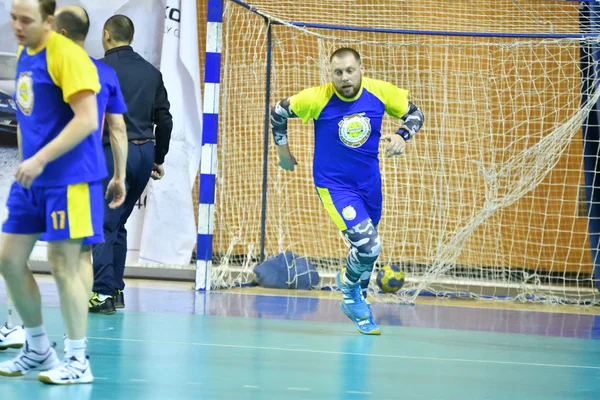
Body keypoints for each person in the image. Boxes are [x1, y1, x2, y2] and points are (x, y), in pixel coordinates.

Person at [0, 4, 130, 352]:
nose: (16, 25)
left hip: (70, 176)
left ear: (52, 23)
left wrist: (118, 174)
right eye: (13, 17)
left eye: (25, 19)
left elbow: (96, 122)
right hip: (33, 179)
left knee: (67, 262)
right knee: (11, 259)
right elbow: (26, 117)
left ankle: (75, 355)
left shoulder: (73, 61)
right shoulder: (27, 53)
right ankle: (36, 346)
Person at [270, 48, 424, 335]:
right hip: (334, 185)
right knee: (369, 245)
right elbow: (278, 112)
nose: (344, 78)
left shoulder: (380, 92)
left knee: (365, 252)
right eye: (338, 72)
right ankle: (348, 287)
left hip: (369, 183)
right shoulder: (316, 98)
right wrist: (282, 152)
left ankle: (360, 307)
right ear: (331, 74)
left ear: (361, 68)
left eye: (350, 71)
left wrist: (403, 136)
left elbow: (416, 114)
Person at [89, 14, 172, 314]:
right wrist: (157, 158)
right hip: (144, 154)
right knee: (118, 224)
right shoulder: (151, 72)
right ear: (131, 37)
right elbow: (164, 119)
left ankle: (101, 294)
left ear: (106, 34)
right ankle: (116, 289)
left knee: (102, 225)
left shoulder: (99, 69)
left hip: (114, 153)